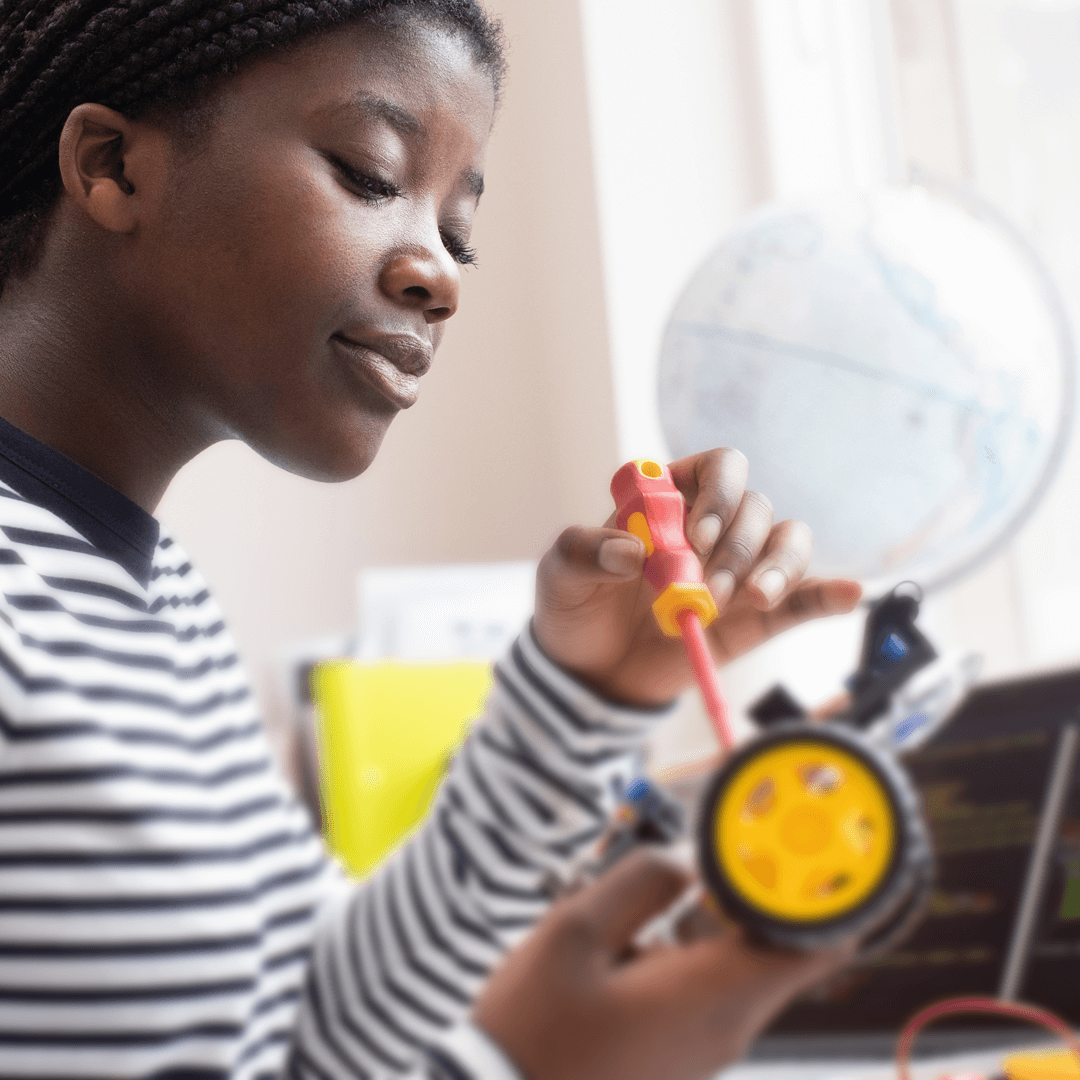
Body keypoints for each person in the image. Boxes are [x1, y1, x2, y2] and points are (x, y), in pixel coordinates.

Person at [0, 3, 863, 1078]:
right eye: (369, 173)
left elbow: (319, 1021)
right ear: (113, 164)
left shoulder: (150, 593)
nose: (440, 277)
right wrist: (517, 1068)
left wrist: (585, 694)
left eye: (459, 235)